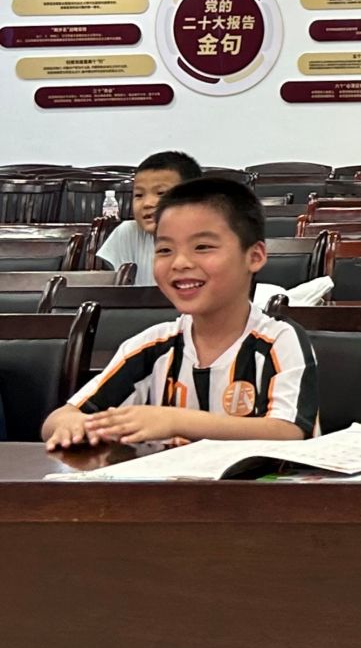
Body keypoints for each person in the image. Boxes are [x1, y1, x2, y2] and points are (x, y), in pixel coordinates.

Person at [43, 176, 316, 450]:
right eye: (164, 250)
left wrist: (175, 421)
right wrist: (72, 425)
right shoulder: (151, 346)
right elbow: (60, 418)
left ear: (254, 257)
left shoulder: (279, 340)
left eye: (202, 247)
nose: (180, 262)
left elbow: (288, 431)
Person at [95, 150, 200, 272]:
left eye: (161, 193)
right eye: (139, 195)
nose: (147, 203)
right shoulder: (128, 233)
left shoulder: (207, 238)